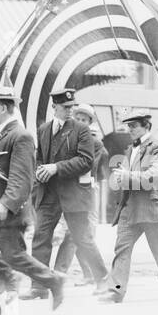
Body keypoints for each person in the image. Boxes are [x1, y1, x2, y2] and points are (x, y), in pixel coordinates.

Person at [0, 87, 65, 315]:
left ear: (4, 108)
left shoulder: (21, 136)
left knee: (13, 256)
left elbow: (22, 177)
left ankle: (54, 281)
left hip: (4, 212)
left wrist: (7, 203)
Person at [25, 88, 109, 300]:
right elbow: (40, 158)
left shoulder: (81, 130)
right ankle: (39, 287)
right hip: (49, 194)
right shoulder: (44, 129)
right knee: (40, 238)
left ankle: (103, 280)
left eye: (72, 107)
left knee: (82, 239)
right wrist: (40, 172)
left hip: (74, 195)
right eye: (65, 107)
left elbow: (86, 161)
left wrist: (56, 168)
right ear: (54, 107)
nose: (70, 111)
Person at [99, 109, 158, 303]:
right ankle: (116, 290)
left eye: (134, 125)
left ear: (146, 126)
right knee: (122, 248)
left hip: (152, 205)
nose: (130, 129)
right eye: (128, 126)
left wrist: (126, 176)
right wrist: (122, 178)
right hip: (130, 207)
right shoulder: (131, 148)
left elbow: (153, 177)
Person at [53, 102, 108, 282]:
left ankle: (61, 273)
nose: (80, 121)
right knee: (79, 235)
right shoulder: (64, 137)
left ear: (89, 122)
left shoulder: (95, 143)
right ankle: (90, 274)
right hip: (66, 190)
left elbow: (88, 167)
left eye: (84, 119)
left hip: (84, 192)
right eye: (78, 118)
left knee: (79, 234)